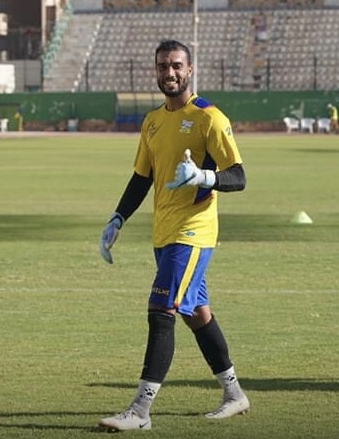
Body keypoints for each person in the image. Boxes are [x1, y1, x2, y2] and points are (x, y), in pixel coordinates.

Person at [97, 39, 249, 432]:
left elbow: (238, 175)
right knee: (197, 314)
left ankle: (140, 410)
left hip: (194, 232)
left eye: (177, 65)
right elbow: (141, 177)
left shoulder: (209, 117)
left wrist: (203, 177)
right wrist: (118, 218)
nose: (170, 73)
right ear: (156, 70)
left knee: (161, 310)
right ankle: (234, 394)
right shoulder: (151, 122)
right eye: (163, 66)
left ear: (190, 69)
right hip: (163, 234)